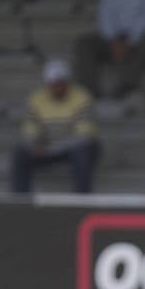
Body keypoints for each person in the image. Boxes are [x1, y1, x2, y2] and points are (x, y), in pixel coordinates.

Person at [10, 58, 99, 194]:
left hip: (75, 147)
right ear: (47, 84)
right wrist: (33, 147)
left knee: (82, 153)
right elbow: (29, 131)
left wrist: (51, 149)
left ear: (68, 82)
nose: (57, 88)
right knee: (20, 153)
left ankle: (82, 201)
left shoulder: (82, 98)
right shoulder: (36, 99)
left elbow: (83, 137)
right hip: (48, 146)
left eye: (61, 83)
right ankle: (21, 201)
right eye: (53, 84)